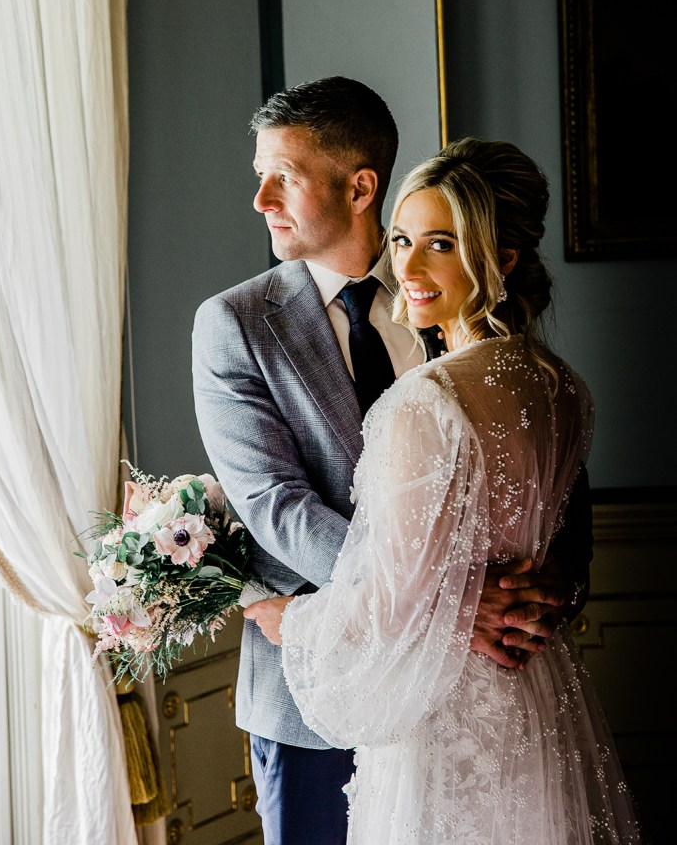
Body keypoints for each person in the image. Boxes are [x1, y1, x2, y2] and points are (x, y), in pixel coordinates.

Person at [192, 78, 592, 845]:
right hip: (311, 698)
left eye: (284, 176)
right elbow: (273, 501)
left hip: (483, 691)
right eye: (258, 177)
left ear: (360, 184)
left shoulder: (457, 306)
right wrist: (438, 605)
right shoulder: (235, 325)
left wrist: (555, 586)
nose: (260, 199)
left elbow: (547, 482)